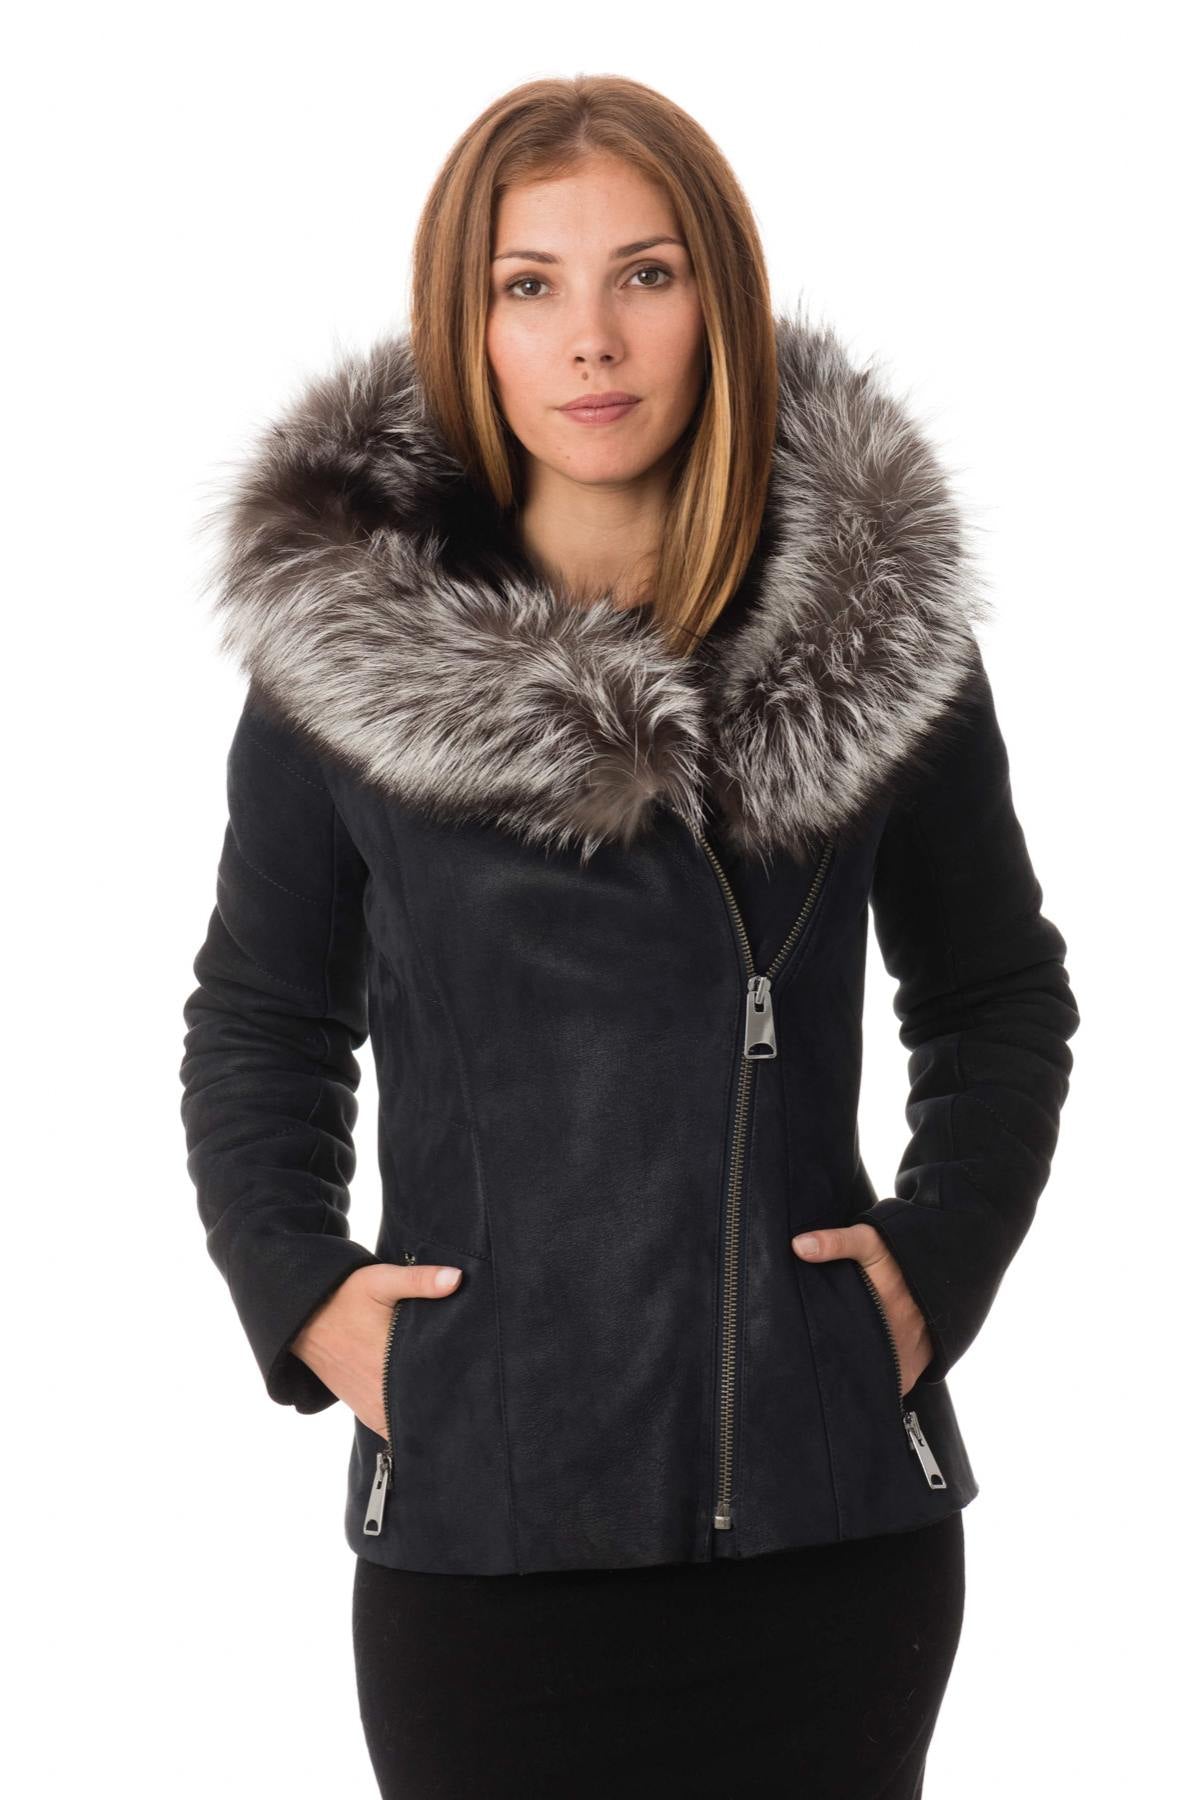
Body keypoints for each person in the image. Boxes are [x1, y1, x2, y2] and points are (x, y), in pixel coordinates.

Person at [179, 73, 1081, 1800]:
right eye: (529, 284)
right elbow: (261, 1019)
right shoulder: (343, 665)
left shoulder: (873, 637)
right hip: (489, 1536)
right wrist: (304, 1292)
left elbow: (994, 992)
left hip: (830, 1541)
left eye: (644, 275)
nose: (591, 338)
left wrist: (941, 1260)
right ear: (468, 324)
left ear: (715, 299)